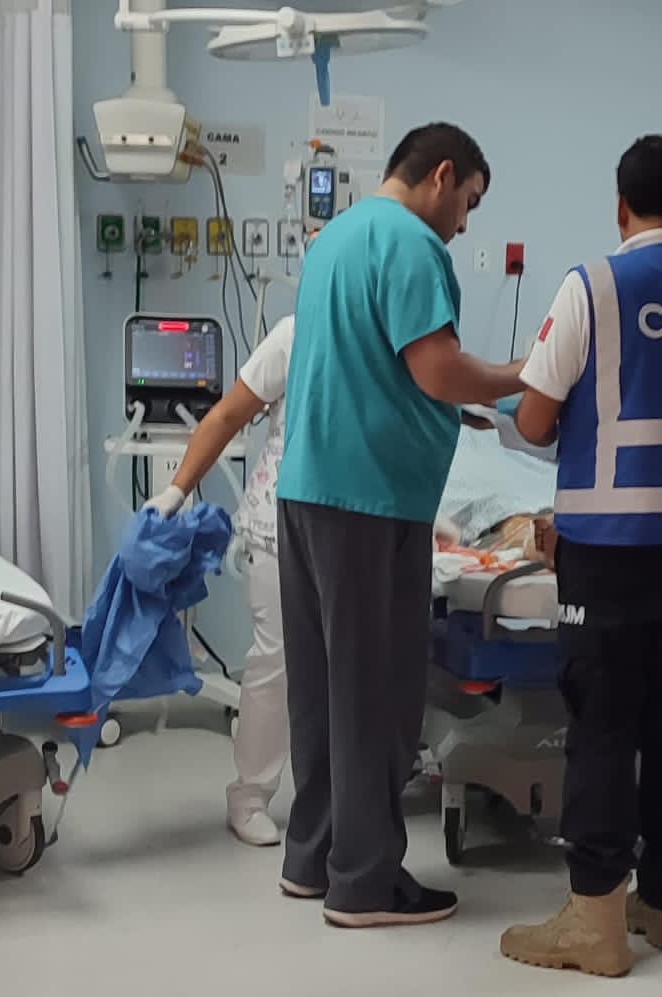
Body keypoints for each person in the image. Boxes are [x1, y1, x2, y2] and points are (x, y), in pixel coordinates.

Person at [498, 134, 662, 977]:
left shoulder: (592, 288)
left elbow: (532, 421)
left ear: (621, 208)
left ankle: (596, 920)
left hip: (607, 556)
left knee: (603, 729)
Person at [273, 122, 526, 929]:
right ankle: (365, 883)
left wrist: (457, 411)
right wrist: (526, 374)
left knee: (321, 691)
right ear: (441, 175)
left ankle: (313, 858)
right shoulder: (413, 243)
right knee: (376, 696)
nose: (465, 222)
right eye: (469, 202)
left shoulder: (336, 239)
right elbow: (438, 367)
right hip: (369, 501)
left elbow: (374, 366)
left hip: (308, 491)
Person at [144, 229, 325, 848]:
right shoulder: (293, 336)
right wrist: (176, 490)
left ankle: (336, 800)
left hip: (349, 526)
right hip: (279, 525)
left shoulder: (384, 340)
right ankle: (250, 795)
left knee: (340, 668)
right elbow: (224, 415)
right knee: (276, 661)